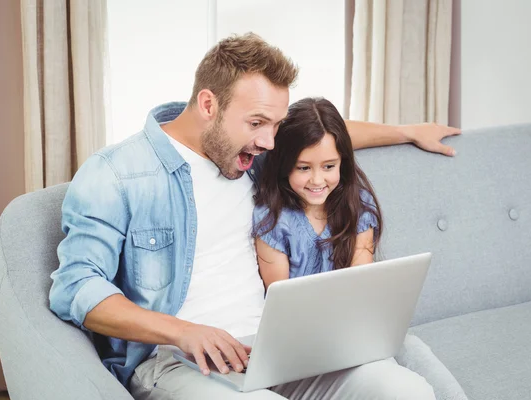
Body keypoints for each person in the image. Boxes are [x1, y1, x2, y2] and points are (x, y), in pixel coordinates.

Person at [49, 33, 458, 399]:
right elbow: (76, 288)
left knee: (404, 390)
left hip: (278, 350)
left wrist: (406, 131)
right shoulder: (116, 174)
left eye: (276, 125)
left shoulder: (256, 157)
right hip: (177, 361)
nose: (268, 141)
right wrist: (183, 331)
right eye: (257, 122)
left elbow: (321, 136)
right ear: (208, 104)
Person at [253, 97, 382, 290]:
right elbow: (282, 300)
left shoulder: (358, 204)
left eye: (329, 166)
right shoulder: (272, 220)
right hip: (297, 316)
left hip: (348, 311)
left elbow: (361, 285)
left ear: (342, 163)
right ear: (284, 166)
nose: (317, 180)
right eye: (303, 168)